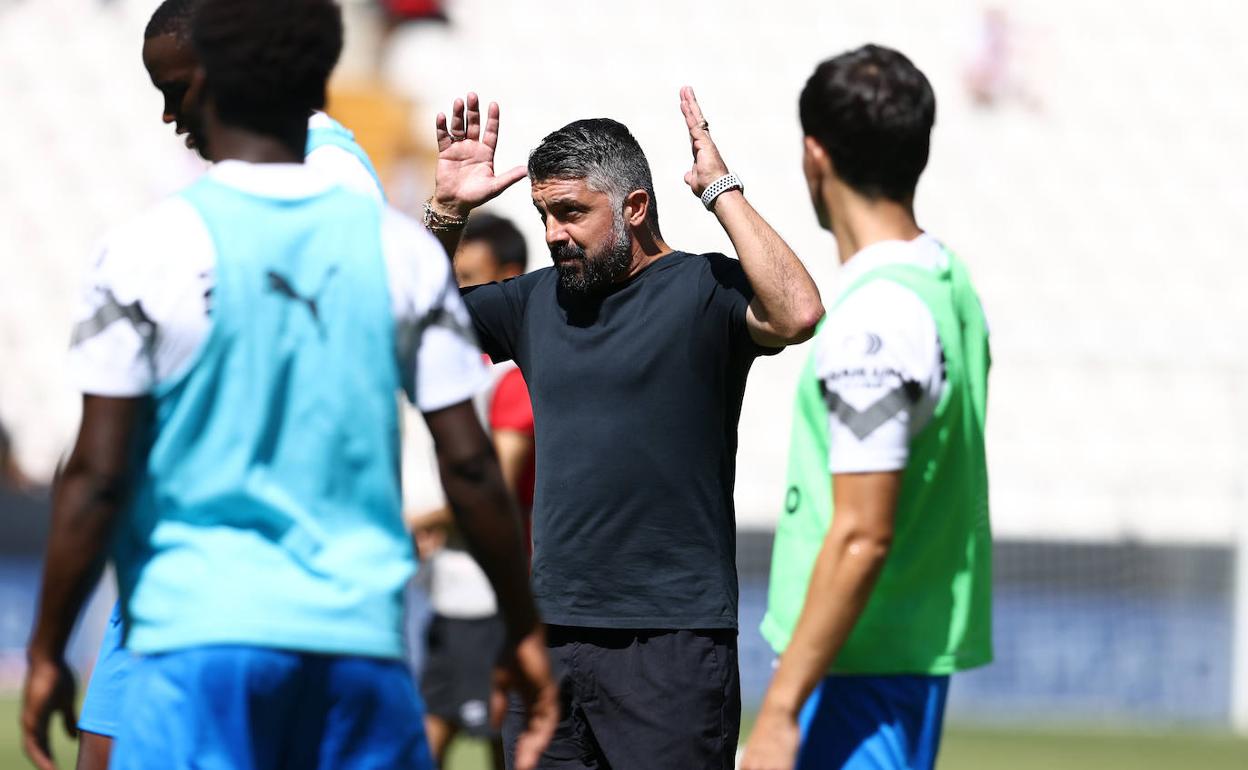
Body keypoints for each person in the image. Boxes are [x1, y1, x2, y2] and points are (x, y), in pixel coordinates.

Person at [19, 2, 557, 770]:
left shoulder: (146, 249)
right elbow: (469, 465)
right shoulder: (397, 250)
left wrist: (46, 648)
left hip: (192, 637)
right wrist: (524, 627)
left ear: (210, 79)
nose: (167, 111)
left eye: (171, 88)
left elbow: (97, 471)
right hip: (353, 645)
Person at [422, 90, 825, 768]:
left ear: (634, 207)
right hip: (546, 640)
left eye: (571, 212)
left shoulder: (706, 289)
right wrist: (450, 213)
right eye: (544, 214)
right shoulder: (533, 301)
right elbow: (403, 323)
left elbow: (798, 312)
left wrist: (719, 189)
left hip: (671, 645)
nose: (552, 233)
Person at [68, 2, 395, 768]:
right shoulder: (236, 180)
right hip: (175, 555)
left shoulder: (327, 174)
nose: (165, 111)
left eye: (174, 88)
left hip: (255, 573)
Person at [740, 45, 993, 770]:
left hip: (858, 674)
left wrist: (782, 709)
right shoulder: (947, 281)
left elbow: (862, 535)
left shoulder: (875, 321)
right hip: (898, 662)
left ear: (813, 155)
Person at [410, 212, 534, 770]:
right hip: (456, 587)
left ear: (509, 276)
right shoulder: (463, 366)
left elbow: (497, 489)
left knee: (459, 729)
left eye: (470, 277)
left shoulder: (511, 378)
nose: (458, 292)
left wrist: (417, 521)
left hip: (491, 594)